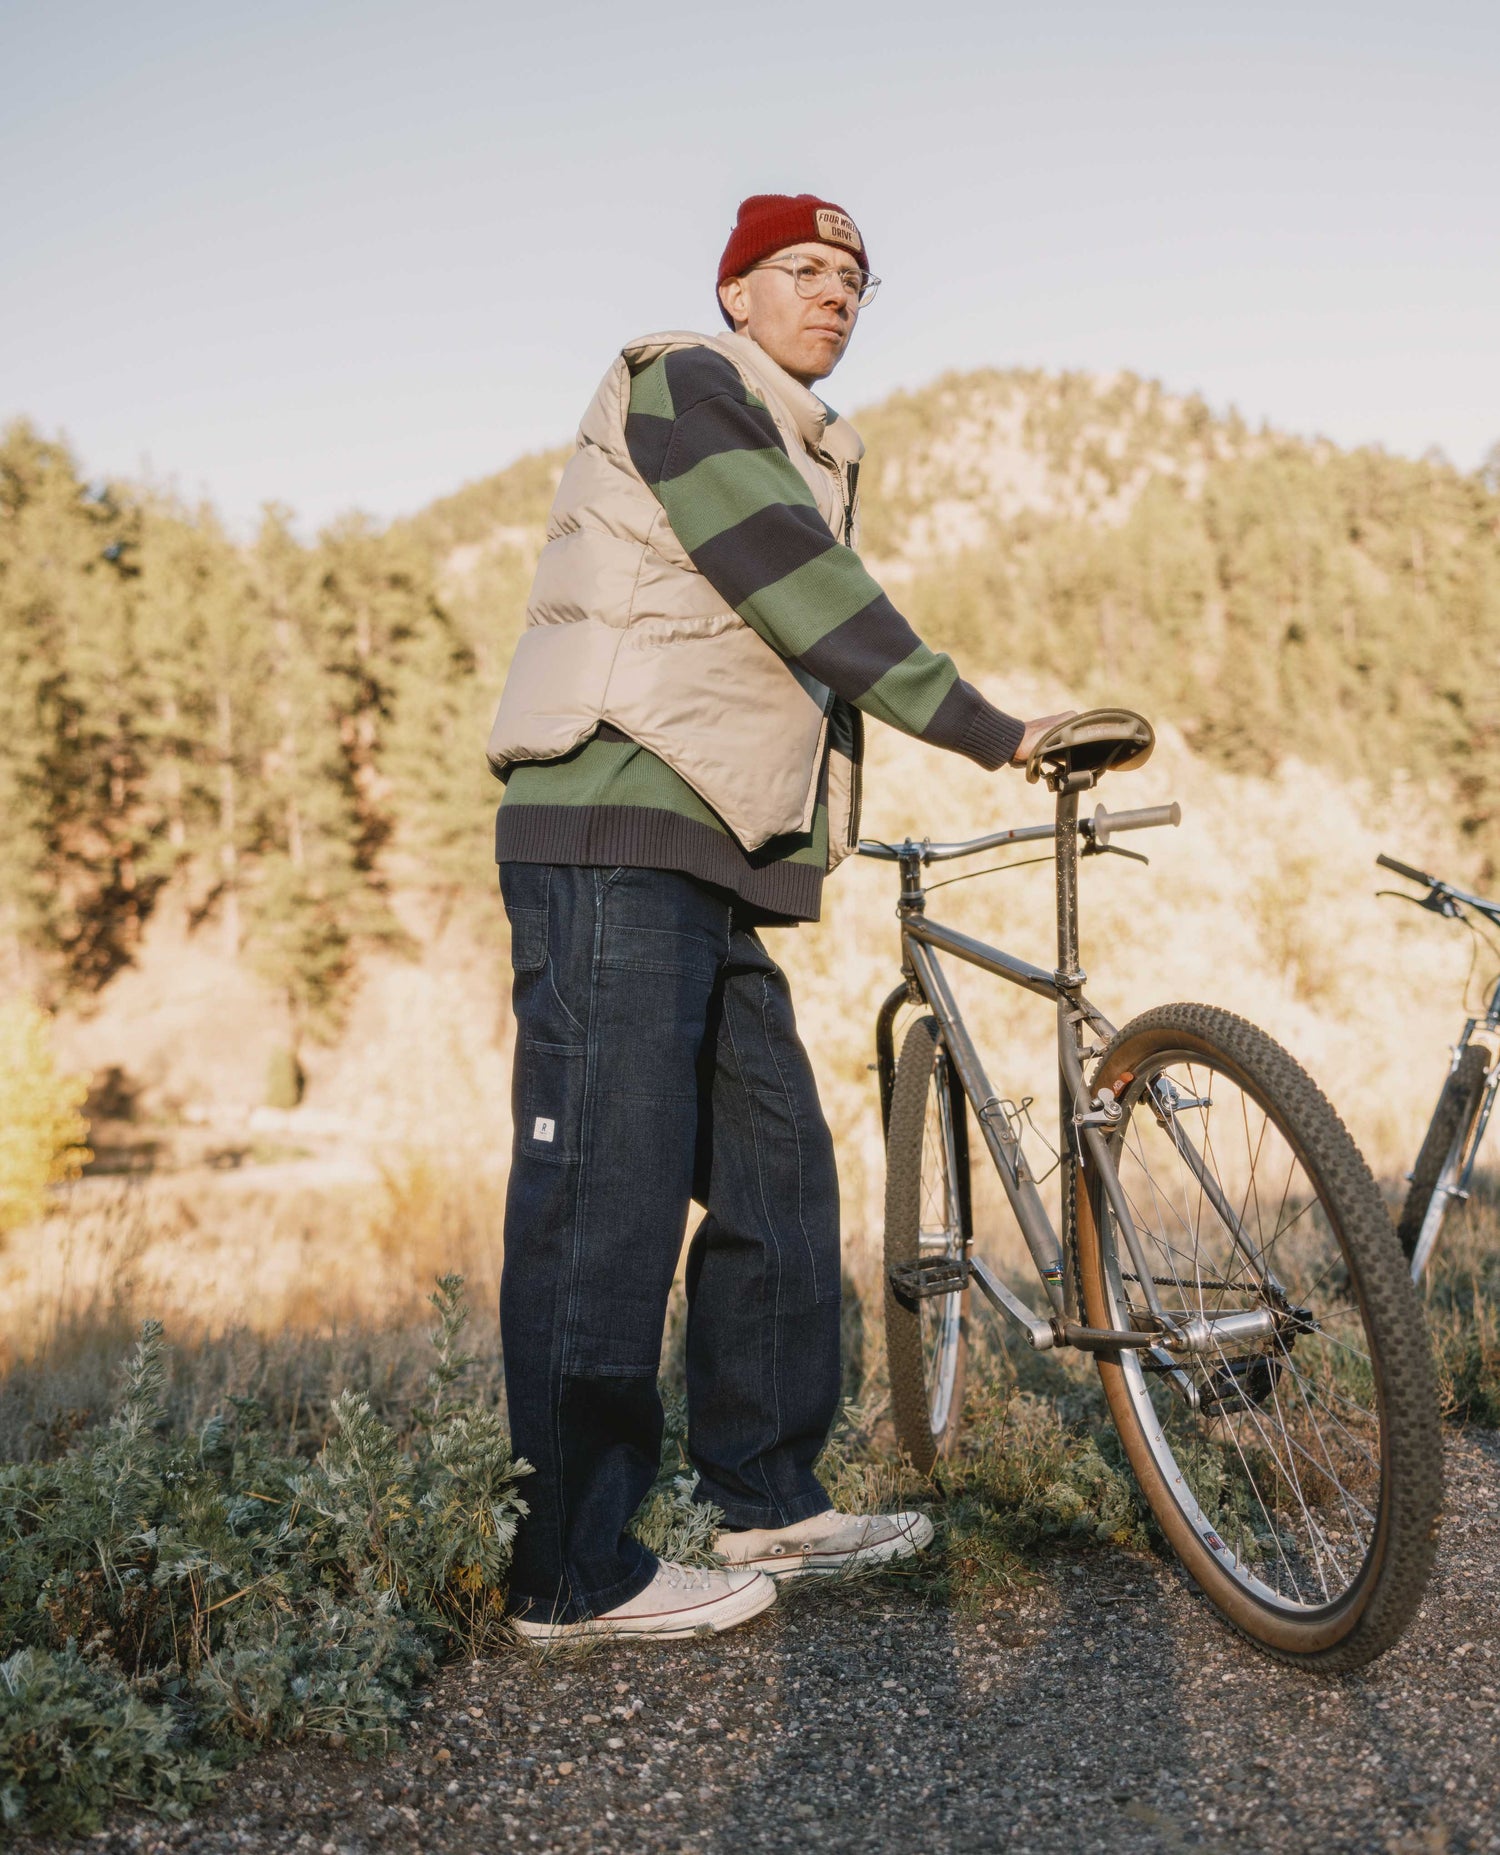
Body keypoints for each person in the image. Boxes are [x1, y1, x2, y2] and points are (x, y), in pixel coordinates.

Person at [486, 192, 1071, 1640]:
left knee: (775, 1177)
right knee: (603, 1192)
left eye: (855, 281)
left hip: (709, 856)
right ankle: (572, 1570)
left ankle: (768, 1498)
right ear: (737, 290)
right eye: (801, 271)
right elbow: (801, 593)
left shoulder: (799, 436)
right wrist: (988, 727)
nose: (834, 296)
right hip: (614, 834)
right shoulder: (689, 380)